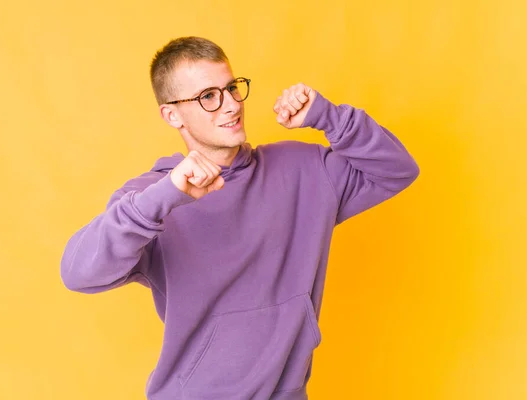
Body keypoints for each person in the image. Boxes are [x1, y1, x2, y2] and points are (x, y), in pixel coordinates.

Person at [60, 36, 420, 400]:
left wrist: (330, 117)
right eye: (208, 96)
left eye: (232, 88)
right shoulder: (154, 197)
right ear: (172, 114)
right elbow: (78, 273)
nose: (231, 105)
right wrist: (164, 196)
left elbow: (397, 170)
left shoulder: (303, 170)